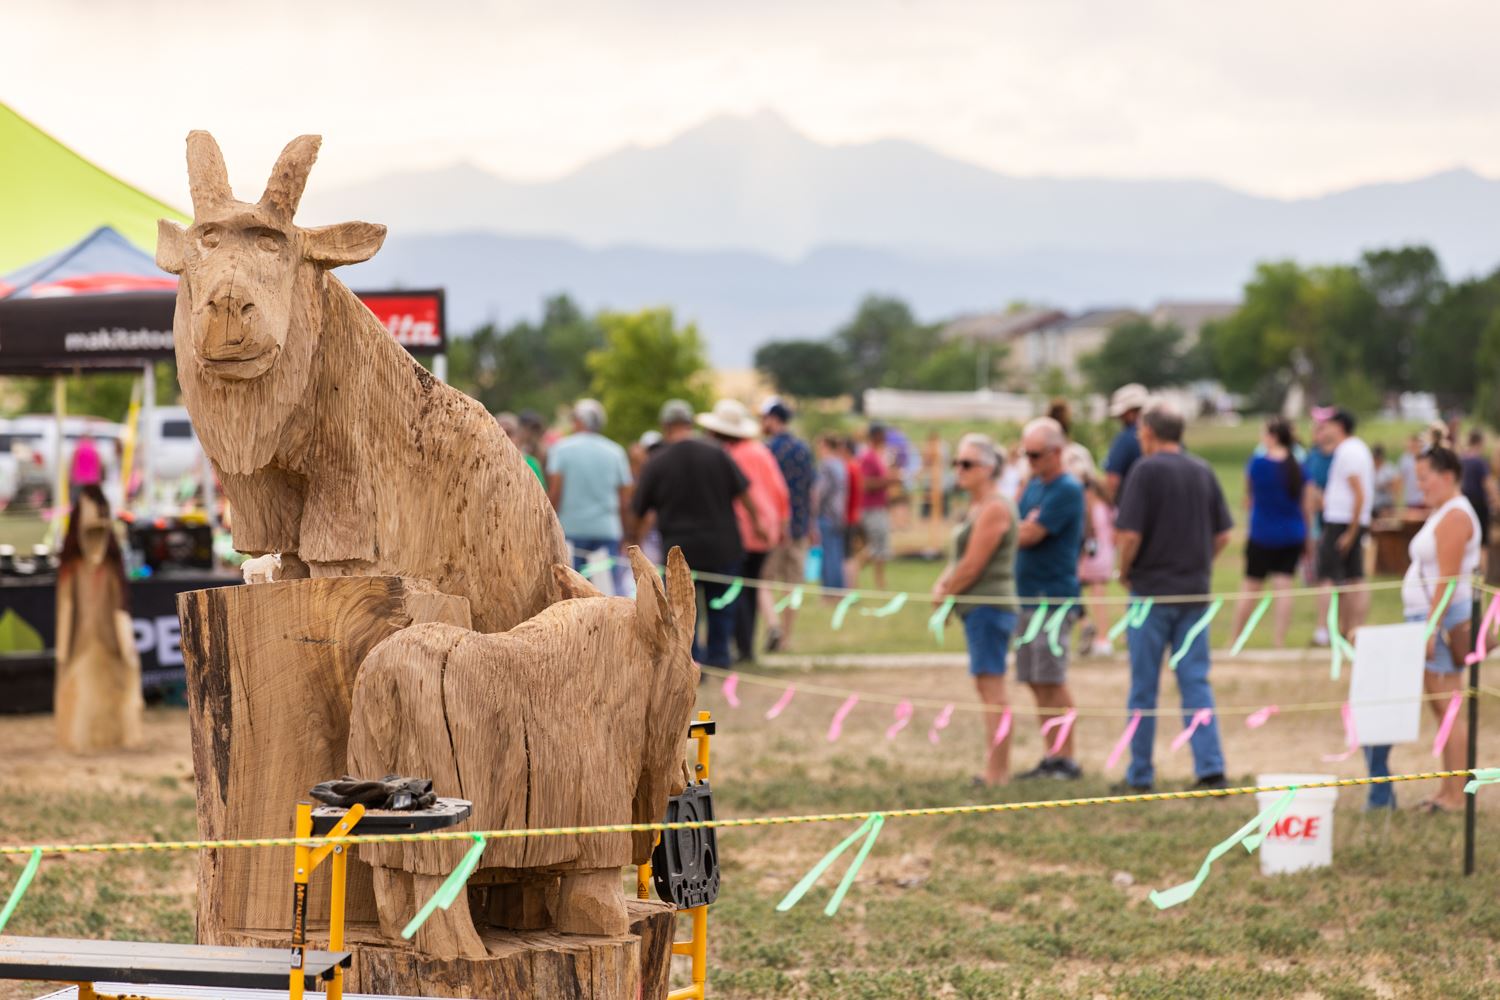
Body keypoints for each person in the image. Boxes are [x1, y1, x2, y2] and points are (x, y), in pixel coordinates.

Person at [1115, 399, 1233, 792]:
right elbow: (1223, 535)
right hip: (1194, 594)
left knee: (1143, 686)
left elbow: (1129, 534)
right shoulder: (1203, 470)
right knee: (1195, 682)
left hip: (1150, 595)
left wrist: (1124, 569)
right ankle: (1210, 768)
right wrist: (1198, 564)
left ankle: (1141, 774)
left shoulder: (1144, 470)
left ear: (1148, 432)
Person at [1365, 441, 1480, 812]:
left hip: (1441, 622)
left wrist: (1430, 629)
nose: (1421, 486)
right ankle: (1447, 789)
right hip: (1430, 619)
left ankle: (1456, 794)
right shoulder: (1443, 511)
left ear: (1447, 476)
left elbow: (1446, 579)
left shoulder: (1456, 517)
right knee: (1440, 709)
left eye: (1426, 478)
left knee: (1448, 708)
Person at [631, 399, 766, 668]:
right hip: (722, 545)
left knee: (684, 610)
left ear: (665, 426)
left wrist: (633, 538)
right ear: (690, 424)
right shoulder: (717, 453)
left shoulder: (657, 462)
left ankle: (692, 663)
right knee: (721, 606)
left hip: (679, 551)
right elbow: (744, 493)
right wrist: (758, 523)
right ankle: (720, 658)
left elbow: (639, 509)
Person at [932, 434, 1018, 787]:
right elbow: (959, 561)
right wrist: (943, 585)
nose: (959, 470)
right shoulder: (978, 506)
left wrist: (946, 595)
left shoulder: (996, 507)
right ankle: (995, 769)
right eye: (957, 462)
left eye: (967, 464)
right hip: (977, 606)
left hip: (990, 607)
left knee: (992, 691)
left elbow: (973, 565)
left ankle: (997, 772)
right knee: (986, 688)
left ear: (988, 469)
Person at [1013, 417, 1086, 780]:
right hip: (1027, 597)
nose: (1029, 460)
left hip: (1053, 598)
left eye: (1036, 454)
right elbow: (1017, 523)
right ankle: (1051, 754)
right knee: (1035, 679)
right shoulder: (1034, 485)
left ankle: (1067, 759)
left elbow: (1028, 533)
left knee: (1053, 679)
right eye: (1025, 453)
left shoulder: (1067, 489)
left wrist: (1010, 529)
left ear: (1057, 452)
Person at [697, 399, 789, 663]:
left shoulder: (728, 457)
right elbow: (781, 491)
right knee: (750, 588)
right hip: (767, 530)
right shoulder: (761, 451)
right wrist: (781, 524)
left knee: (737, 591)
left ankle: (741, 646)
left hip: (742, 531)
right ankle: (746, 647)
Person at [1231, 417, 1306, 649]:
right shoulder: (1297, 465)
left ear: (1272, 437)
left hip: (1262, 534)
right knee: (1283, 589)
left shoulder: (1258, 464)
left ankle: (1234, 639)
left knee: (1250, 588)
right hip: (1292, 534)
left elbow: (1249, 494)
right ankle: (1279, 642)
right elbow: (1306, 503)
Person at [547, 399, 633, 595]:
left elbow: (555, 493)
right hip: (606, 532)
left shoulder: (561, 449)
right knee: (603, 596)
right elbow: (625, 500)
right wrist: (627, 534)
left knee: (570, 596)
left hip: (570, 533)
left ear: (579, 420)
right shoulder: (615, 451)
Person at [760, 398, 815, 652]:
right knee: (793, 584)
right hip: (800, 525)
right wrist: (812, 522)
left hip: (773, 527)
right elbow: (812, 489)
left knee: (764, 581)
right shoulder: (803, 449)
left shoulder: (767, 450)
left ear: (773, 419)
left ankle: (773, 625)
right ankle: (787, 637)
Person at [1318, 408, 1375, 641]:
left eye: (1328, 424)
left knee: (1344, 578)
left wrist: (1350, 533)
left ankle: (1348, 628)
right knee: (1351, 578)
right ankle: (1348, 629)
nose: (1325, 429)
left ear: (1339, 426)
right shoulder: (1353, 449)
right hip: (1347, 521)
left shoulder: (1349, 451)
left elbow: (1359, 494)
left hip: (1343, 522)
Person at [1303, 408, 1337, 646]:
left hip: (1329, 522)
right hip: (1321, 523)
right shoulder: (1314, 455)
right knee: (1327, 577)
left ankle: (1325, 629)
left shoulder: (1331, 456)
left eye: (1321, 426)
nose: (1316, 430)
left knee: (1328, 578)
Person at [849, 424, 894, 590]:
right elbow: (865, 484)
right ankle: (851, 574)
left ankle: (879, 585)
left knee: (879, 549)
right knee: (874, 548)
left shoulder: (876, 455)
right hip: (870, 508)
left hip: (876, 507)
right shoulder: (868, 457)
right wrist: (889, 481)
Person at [813, 434, 849, 593]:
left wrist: (813, 510)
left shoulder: (827, 465)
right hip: (839, 515)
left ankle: (829, 592)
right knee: (836, 555)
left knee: (828, 556)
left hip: (827, 515)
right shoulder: (841, 464)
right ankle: (838, 590)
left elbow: (821, 492)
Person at [1103, 383, 1149, 503]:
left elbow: (1112, 480)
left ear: (1129, 412)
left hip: (1133, 506)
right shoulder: (1166, 436)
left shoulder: (1125, 439)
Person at [497, 412, 546, 486]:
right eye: (498, 432)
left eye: (509, 433)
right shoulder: (483, 463)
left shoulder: (531, 464)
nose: (504, 437)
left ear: (518, 435)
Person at [1461, 430, 1491, 548]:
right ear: (1480, 443)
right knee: (1482, 543)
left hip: (1464, 503)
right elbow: (1487, 484)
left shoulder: (1461, 459)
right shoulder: (1479, 461)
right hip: (1479, 504)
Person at [1372, 444, 1400, 519]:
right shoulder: (1371, 468)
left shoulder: (1389, 468)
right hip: (1373, 503)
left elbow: (1396, 485)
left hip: (1386, 503)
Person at [1398, 434, 1423, 511]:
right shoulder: (1405, 459)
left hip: (1423, 498)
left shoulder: (1425, 457)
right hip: (1411, 499)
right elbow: (1400, 479)